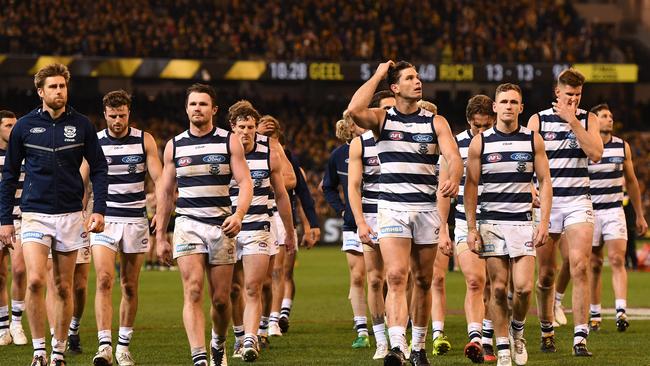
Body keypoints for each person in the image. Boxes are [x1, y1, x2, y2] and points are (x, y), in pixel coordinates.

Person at [347, 60, 462, 366]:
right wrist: (378, 74)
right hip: (392, 208)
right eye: (410, 78)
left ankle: (419, 346)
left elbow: (453, 156)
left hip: (426, 209)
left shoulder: (436, 122)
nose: (418, 81)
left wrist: (453, 176)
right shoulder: (382, 119)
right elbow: (353, 110)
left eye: (418, 76)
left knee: (423, 281)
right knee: (396, 276)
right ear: (395, 87)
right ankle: (397, 346)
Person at [0, 63, 108, 366]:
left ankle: (58, 352)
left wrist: (98, 210)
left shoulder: (83, 124)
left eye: (62, 86)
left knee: (63, 286)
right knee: (34, 280)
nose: (59, 91)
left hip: (72, 216)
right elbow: (9, 176)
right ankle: (38, 351)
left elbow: (99, 168)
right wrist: (5, 220)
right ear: (40, 91)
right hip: (34, 214)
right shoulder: (23, 126)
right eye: (53, 87)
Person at [154, 83, 253, 366]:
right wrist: (161, 234)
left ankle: (218, 343)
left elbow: (245, 182)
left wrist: (238, 215)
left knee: (222, 300)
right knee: (194, 289)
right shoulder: (174, 145)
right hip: (188, 223)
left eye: (203, 104)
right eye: (193, 104)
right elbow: (165, 192)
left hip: (221, 226)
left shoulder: (228, 141)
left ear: (214, 110)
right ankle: (199, 357)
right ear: (186, 109)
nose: (198, 108)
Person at [465, 83, 552, 366]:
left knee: (525, 288)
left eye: (514, 102)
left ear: (521, 108)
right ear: (495, 107)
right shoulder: (481, 142)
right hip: (491, 222)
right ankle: (503, 349)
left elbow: (546, 182)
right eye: (504, 102)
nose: (509, 106)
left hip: (523, 222)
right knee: (499, 288)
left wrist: (544, 222)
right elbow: (471, 185)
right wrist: (471, 227)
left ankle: (517, 330)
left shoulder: (532, 140)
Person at [528, 68, 603, 357]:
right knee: (546, 273)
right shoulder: (538, 119)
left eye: (578, 95)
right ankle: (547, 330)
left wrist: (573, 121)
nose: (573, 99)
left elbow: (595, 153)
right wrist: (529, 188)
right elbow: (527, 158)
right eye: (568, 94)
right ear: (556, 93)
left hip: (577, 201)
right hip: (547, 203)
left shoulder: (587, 118)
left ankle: (580, 338)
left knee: (580, 265)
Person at [553, 103, 647, 333]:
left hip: (614, 210)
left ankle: (621, 311)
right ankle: (594, 313)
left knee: (617, 259)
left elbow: (632, 181)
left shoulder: (621, 147)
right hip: (589, 211)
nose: (609, 119)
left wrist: (639, 215)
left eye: (611, 115)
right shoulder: (587, 146)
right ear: (596, 120)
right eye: (604, 115)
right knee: (593, 264)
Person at [90, 90, 163, 366]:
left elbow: (158, 178)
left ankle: (123, 346)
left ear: (128, 113)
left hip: (135, 220)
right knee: (105, 279)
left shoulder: (145, 140)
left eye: (122, 115)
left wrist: (162, 211)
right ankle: (104, 346)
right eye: (112, 116)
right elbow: (83, 179)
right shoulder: (95, 142)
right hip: (105, 220)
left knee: (129, 286)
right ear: (105, 114)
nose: (117, 120)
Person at [226, 100, 295, 361]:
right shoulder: (222, 152)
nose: (246, 132)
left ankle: (251, 340)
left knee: (253, 287)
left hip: (259, 227)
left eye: (251, 127)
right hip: (227, 229)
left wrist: (289, 231)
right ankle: (238, 335)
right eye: (241, 126)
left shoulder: (269, 153)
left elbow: (281, 194)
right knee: (232, 289)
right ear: (233, 127)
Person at [257, 116, 320, 335]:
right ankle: (260, 320)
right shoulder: (247, 154)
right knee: (260, 277)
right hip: (255, 216)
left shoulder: (288, 159)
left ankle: (276, 317)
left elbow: (299, 190)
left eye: (274, 136)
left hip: (281, 217)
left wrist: (310, 225)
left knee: (281, 271)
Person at [348, 90, 395, 359]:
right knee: (375, 280)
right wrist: (360, 222)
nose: (389, 113)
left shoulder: (408, 139)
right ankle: (380, 340)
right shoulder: (361, 144)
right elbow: (354, 187)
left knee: (399, 278)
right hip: (373, 217)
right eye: (385, 108)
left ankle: (399, 333)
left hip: (400, 212)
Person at [451, 95, 497, 363]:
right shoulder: (456, 144)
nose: (482, 130)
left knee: (496, 285)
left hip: (496, 219)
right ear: (469, 121)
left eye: (486, 124)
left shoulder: (500, 140)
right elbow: (444, 184)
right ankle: (476, 338)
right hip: (463, 220)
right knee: (475, 280)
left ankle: (491, 338)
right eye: (477, 126)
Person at [322, 112, 369, 350]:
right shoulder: (339, 155)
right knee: (358, 276)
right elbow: (327, 187)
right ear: (350, 126)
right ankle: (362, 328)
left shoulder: (381, 149)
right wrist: (341, 210)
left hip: (382, 220)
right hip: (352, 223)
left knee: (383, 279)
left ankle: (392, 326)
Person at [0, 110, 28, 347]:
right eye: (8, 126)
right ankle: (2, 327)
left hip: (19, 218)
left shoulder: (25, 153)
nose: (13, 129)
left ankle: (16, 324)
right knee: (0, 276)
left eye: (15, 125)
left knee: (19, 270)